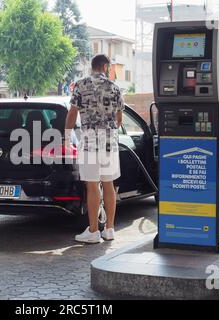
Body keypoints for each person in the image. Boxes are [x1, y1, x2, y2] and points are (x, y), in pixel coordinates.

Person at [65, 54, 124, 244]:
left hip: (90, 142)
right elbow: (119, 119)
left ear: (93, 66)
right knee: (109, 184)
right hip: (109, 143)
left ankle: (92, 231)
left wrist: (67, 138)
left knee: (92, 185)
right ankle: (109, 230)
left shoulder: (80, 85)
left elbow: (72, 113)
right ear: (105, 66)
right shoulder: (115, 88)